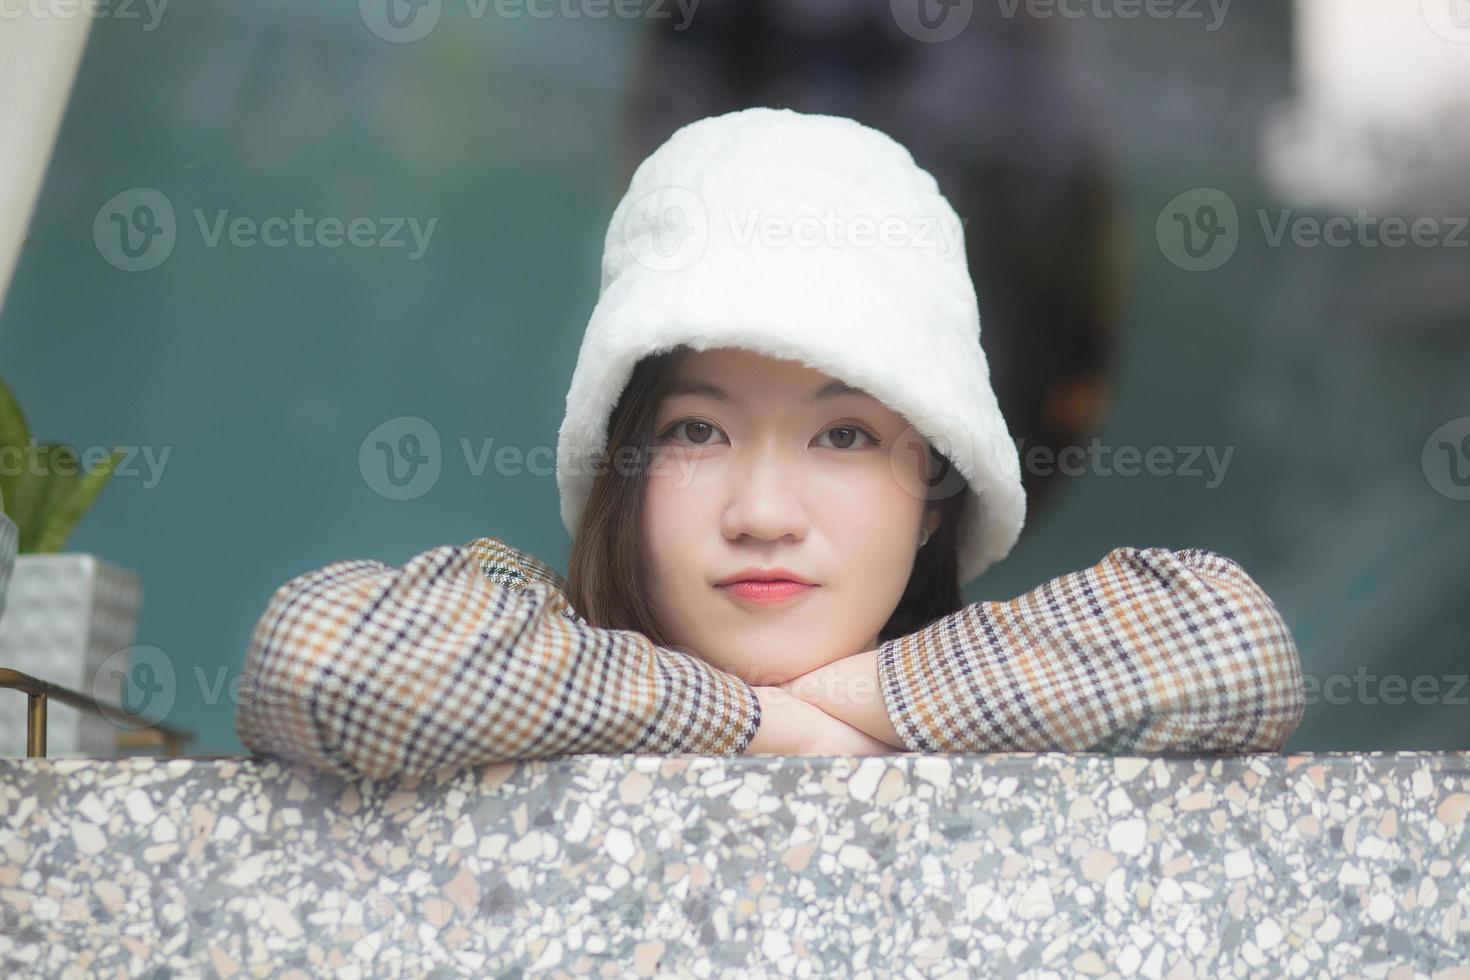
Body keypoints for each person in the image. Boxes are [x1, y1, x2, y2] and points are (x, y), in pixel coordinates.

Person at [235, 108, 1304, 781]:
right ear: (626, 466)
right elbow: (331, 665)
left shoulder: (1021, 685)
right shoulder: (512, 618)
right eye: (696, 430)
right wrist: (759, 723)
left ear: (934, 483)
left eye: (842, 434)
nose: (761, 512)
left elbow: (1232, 646)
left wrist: (856, 700)